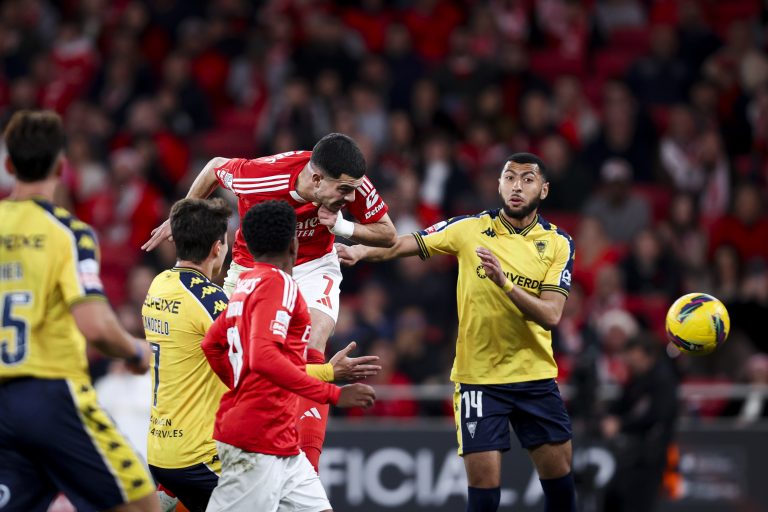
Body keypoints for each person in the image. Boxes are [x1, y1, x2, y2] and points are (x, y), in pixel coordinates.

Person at [337, 153, 578, 512]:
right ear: (498, 185)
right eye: (509, 177)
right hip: (478, 379)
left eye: (527, 179)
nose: (516, 186)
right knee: (483, 495)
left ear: (543, 190)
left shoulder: (559, 243)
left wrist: (505, 285)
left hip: (535, 378)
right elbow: (410, 243)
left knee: (560, 490)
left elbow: (552, 314)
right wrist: (360, 250)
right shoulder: (469, 228)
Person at [142, 133, 395, 471]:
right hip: (252, 264)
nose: (351, 197)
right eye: (343, 192)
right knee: (228, 354)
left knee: (311, 341)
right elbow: (216, 167)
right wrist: (180, 217)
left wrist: (344, 225)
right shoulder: (261, 175)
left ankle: (305, 466)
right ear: (317, 179)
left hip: (313, 265)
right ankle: (196, 458)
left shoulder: (352, 179)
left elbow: (387, 233)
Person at [143, 198, 381, 512]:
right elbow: (261, 362)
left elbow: (216, 349)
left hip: (164, 443)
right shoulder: (215, 299)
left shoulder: (159, 284)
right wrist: (329, 379)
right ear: (217, 248)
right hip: (200, 454)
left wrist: (233, 378)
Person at [0, 110, 159, 511]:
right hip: (52, 395)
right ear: (61, 166)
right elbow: (97, 328)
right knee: (144, 504)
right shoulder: (68, 232)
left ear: (8, 165)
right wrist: (138, 352)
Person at [601, 335, 679, 512]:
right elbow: (623, 403)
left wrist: (621, 424)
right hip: (634, 453)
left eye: (634, 356)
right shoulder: (637, 378)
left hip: (652, 453)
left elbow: (656, 415)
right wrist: (609, 416)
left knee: (640, 502)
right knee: (615, 496)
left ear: (648, 356)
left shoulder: (662, 379)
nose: (630, 361)